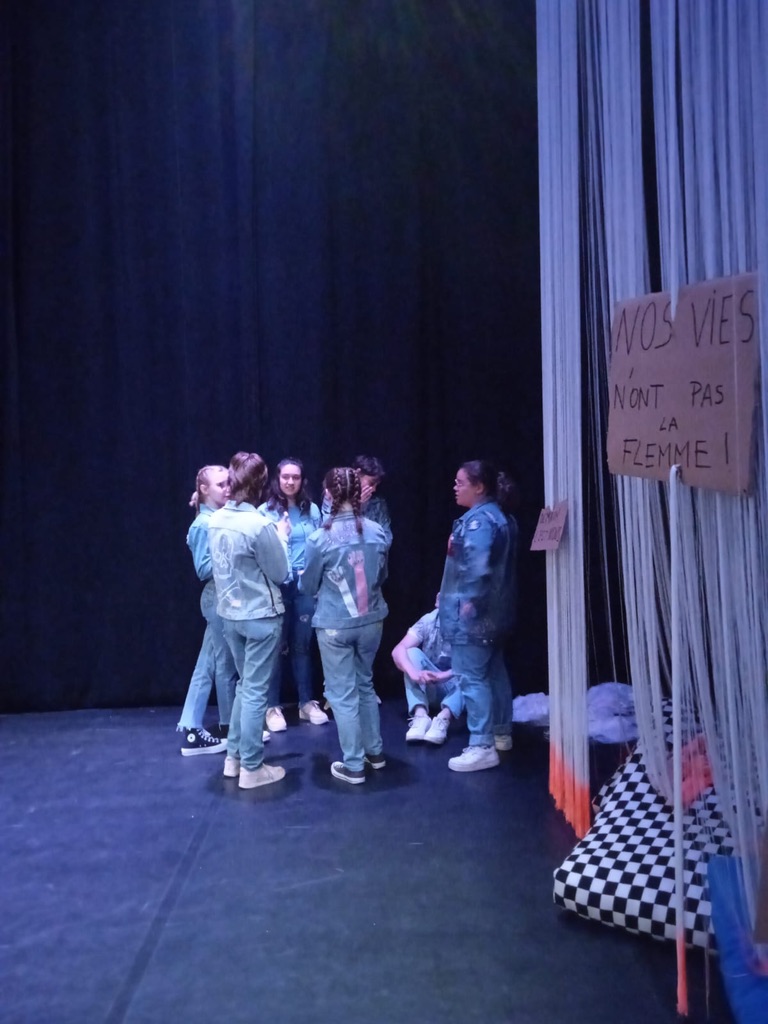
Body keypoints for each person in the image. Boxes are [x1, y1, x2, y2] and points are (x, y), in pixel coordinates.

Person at [300, 467, 390, 784]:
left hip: (335, 624)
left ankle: (353, 765)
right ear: (358, 493)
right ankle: (374, 753)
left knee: (341, 694)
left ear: (328, 493)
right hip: (372, 621)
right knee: (365, 683)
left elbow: (308, 586)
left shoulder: (320, 538)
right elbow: (382, 576)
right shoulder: (376, 531)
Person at [208, 452, 290, 789]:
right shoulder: (259, 525)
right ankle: (252, 768)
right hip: (260, 616)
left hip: (230, 615)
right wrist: (282, 536)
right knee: (256, 692)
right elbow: (280, 572)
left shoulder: (215, 520)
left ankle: (235, 758)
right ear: (260, 484)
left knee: (245, 686)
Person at [438, 459, 518, 772]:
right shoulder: (502, 517)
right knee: (494, 671)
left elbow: (477, 564)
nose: (455, 488)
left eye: (460, 483)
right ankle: (500, 733)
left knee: (471, 677)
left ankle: (482, 745)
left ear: (479, 487)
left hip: (475, 617)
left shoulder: (479, 522)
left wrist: (468, 602)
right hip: (497, 613)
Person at [257, 457, 328, 731]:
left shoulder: (312, 511)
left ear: (302, 480)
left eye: (295, 477)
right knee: (275, 647)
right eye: (285, 477)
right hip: (276, 586)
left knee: (302, 645)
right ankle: (272, 707)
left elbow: (321, 546)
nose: (290, 482)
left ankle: (306, 702)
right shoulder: (264, 511)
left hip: (304, 586)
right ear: (277, 479)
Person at [177, 465, 239, 756]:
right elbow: (202, 569)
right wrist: (234, 550)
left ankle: (209, 726)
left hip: (224, 597)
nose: (228, 488)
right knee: (219, 664)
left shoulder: (216, 519)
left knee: (210, 664)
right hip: (217, 599)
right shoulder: (204, 525)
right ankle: (204, 729)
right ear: (204, 489)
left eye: (229, 483)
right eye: (220, 484)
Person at [391, 596, 464, 745]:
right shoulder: (429, 620)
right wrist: (414, 673)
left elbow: (474, 663)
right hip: (432, 686)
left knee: (474, 673)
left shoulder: (468, 624)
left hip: (459, 691)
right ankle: (420, 715)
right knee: (410, 653)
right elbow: (398, 650)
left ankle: (443, 718)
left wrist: (443, 676)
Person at [321, 455, 392, 547]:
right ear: (358, 474)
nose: (374, 489)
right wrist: (355, 507)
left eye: (376, 485)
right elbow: (327, 532)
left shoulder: (378, 503)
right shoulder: (332, 496)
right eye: (371, 483)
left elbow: (387, 538)